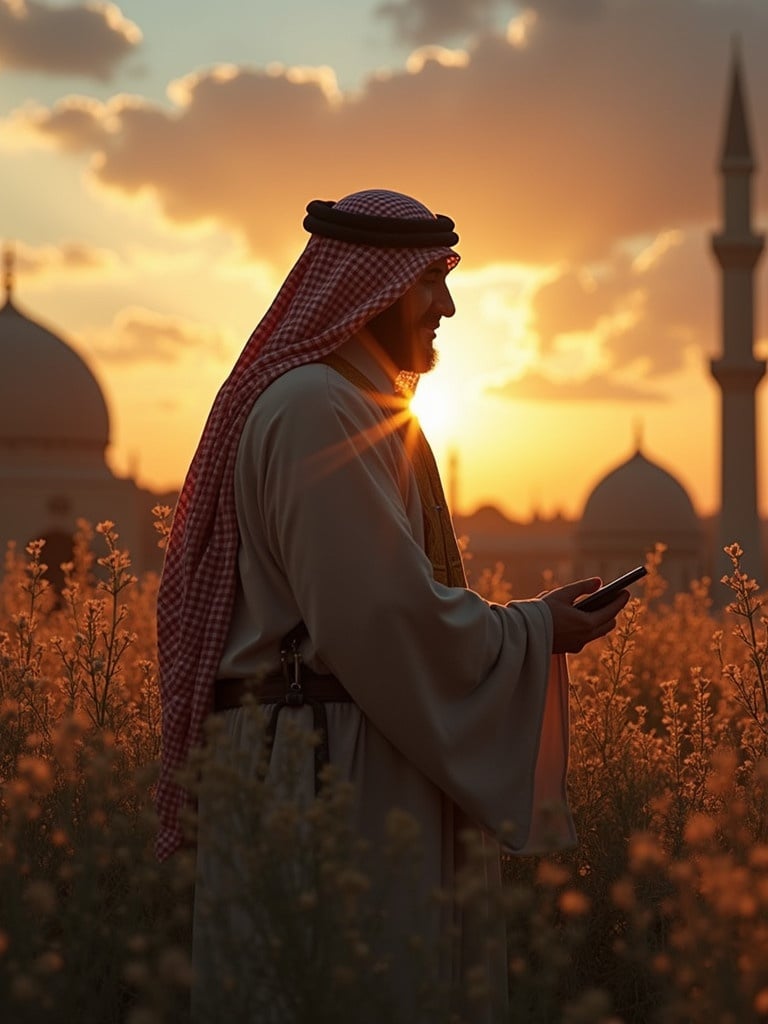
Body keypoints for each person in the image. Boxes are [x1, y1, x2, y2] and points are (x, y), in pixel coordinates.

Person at [155, 188, 629, 1021]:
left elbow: (391, 603)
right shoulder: (317, 410)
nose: (446, 305)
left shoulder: (355, 409)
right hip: (322, 770)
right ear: (368, 292)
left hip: (341, 752)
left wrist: (526, 623)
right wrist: (536, 628)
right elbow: (378, 617)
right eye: (428, 282)